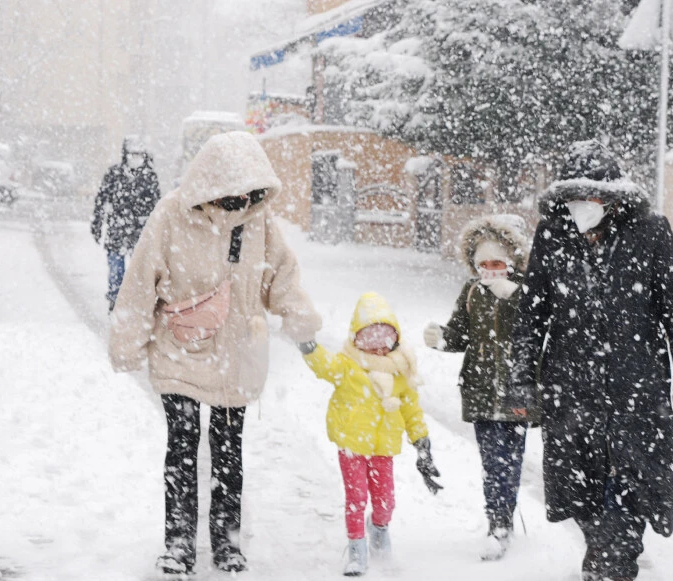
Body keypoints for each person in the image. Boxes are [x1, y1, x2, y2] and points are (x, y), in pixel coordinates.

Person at [108, 131, 322, 575]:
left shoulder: (258, 221)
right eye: (233, 190)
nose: (241, 199)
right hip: (179, 349)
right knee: (182, 449)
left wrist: (301, 321)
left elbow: (282, 276)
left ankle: (227, 544)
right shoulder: (170, 215)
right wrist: (128, 343)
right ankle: (179, 544)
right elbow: (139, 281)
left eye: (249, 190)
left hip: (236, 357)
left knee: (228, 452)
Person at [509, 140, 673, 581]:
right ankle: (606, 547)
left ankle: (610, 561)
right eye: (576, 199)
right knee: (580, 486)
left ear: (613, 196)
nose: (584, 207)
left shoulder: (651, 232)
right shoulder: (551, 235)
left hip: (636, 385)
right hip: (571, 385)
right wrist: (521, 379)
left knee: (633, 483)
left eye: (593, 197)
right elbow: (532, 314)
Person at [299, 292, 441, 577]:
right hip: (352, 445)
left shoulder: (401, 373)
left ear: (395, 340)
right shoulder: (348, 366)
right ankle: (356, 550)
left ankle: (379, 531)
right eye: (370, 341)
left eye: (385, 341)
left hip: (382, 449)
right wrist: (308, 346)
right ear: (358, 340)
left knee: (385, 501)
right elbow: (324, 364)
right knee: (356, 498)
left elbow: (411, 411)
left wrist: (421, 444)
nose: (378, 349)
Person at [422, 214, 537, 561]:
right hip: (480, 389)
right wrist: (441, 338)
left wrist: (515, 298)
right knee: (491, 460)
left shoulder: (529, 290)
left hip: (518, 389)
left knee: (511, 459)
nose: (490, 269)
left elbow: (540, 334)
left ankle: (505, 516)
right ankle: (497, 522)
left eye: (497, 262)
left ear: (512, 260)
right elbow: (460, 335)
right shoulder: (472, 291)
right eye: (483, 263)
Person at [92, 137, 160, 308]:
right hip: (117, 228)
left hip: (141, 231)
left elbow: (157, 206)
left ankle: (138, 301)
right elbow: (101, 200)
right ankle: (116, 299)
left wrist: (156, 229)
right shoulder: (114, 174)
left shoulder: (149, 177)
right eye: (132, 154)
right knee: (116, 267)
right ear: (125, 155)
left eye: (139, 154)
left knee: (140, 269)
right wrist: (97, 224)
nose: (135, 158)